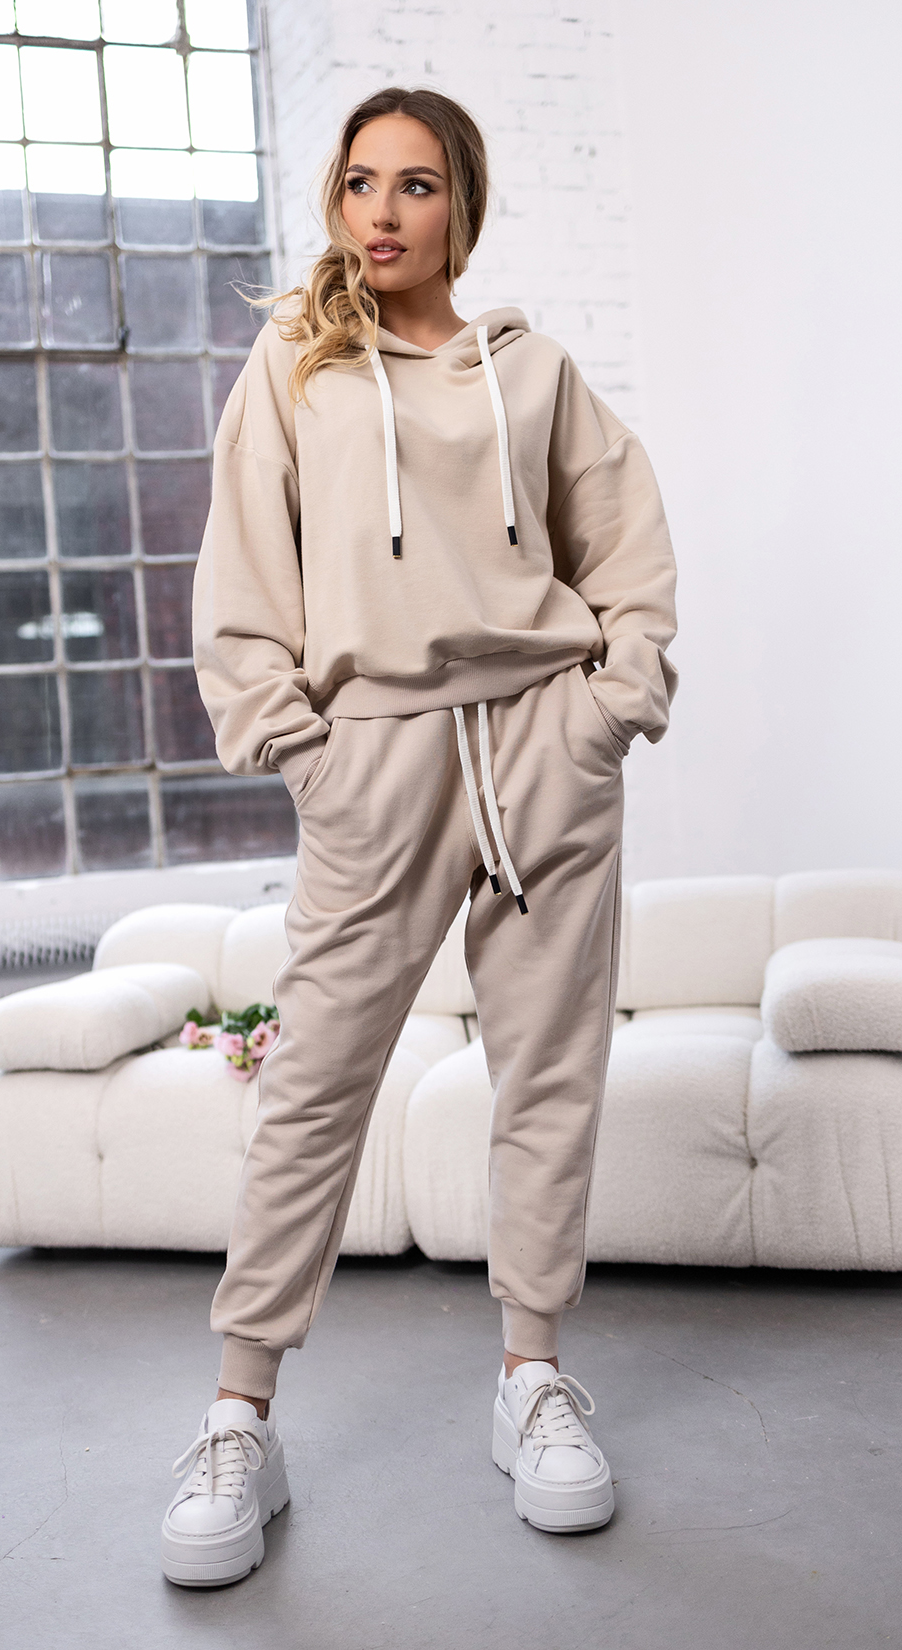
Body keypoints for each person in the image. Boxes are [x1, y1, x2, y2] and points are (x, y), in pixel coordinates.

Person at [161, 85, 678, 1587]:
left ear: (465, 206)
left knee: (550, 1074)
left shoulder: (536, 373)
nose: (380, 211)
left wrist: (607, 711)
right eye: (359, 182)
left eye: (416, 184)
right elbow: (240, 581)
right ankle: (238, 1416)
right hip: (374, 762)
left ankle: (533, 1379)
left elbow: (628, 546)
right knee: (316, 1082)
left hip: (543, 752)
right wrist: (302, 752)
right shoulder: (297, 365)